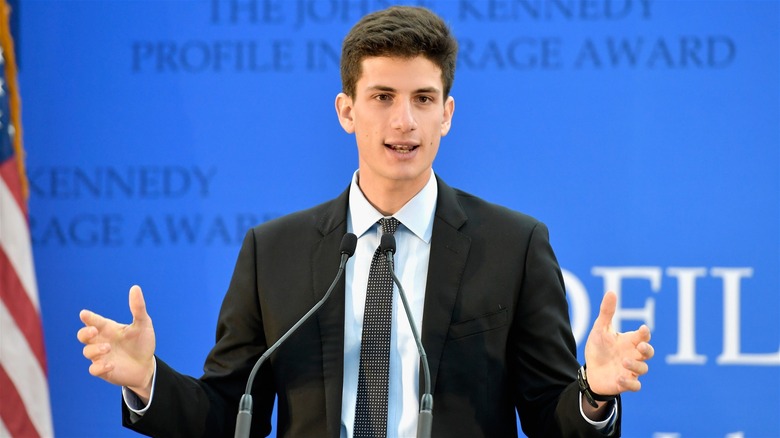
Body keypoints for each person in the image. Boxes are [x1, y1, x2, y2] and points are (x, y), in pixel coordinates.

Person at [78, 6, 654, 437]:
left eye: (424, 100)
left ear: (447, 115)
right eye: (382, 96)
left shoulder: (514, 245)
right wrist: (147, 380)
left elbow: (551, 417)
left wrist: (594, 394)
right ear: (347, 110)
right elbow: (232, 412)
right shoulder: (273, 251)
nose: (404, 122)